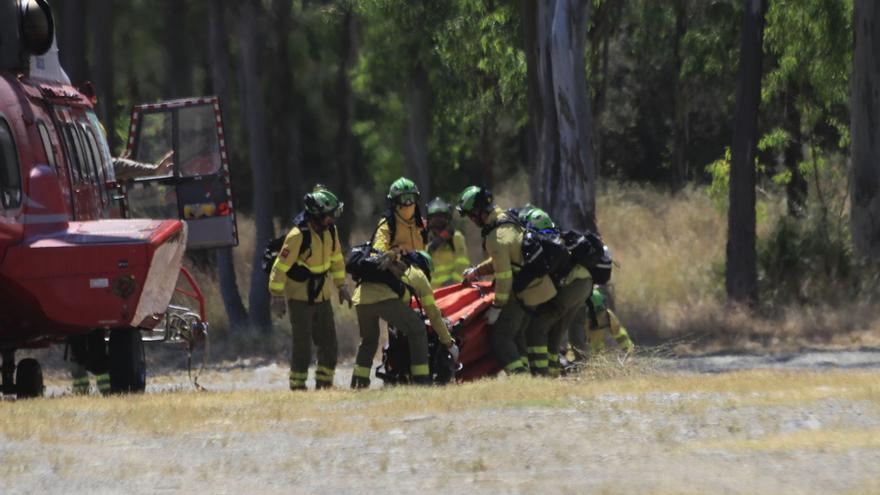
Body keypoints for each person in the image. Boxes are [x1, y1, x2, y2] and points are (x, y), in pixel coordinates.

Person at [457, 186, 557, 375]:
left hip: (523, 292)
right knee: (517, 334)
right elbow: (503, 258)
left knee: (501, 338)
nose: (471, 220)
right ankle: (530, 375)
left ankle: (520, 379)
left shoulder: (496, 237)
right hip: (539, 287)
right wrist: (477, 271)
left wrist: (497, 307)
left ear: (479, 211)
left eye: (471, 215)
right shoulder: (506, 219)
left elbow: (504, 278)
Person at [268, 187, 351, 391]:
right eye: (329, 216)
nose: (332, 220)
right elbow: (280, 267)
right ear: (318, 215)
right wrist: (277, 296)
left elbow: (337, 260)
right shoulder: (298, 236)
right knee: (303, 344)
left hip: (322, 295)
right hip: (300, 298)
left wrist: (342, 286)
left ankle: (325, 384)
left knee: (329, 343)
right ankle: (298, 385)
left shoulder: (330, 231)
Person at [350, 251, 457, 388]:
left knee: (369, 340)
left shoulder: (394, 267)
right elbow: (433, 314)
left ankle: (359, 383)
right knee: (417, 330)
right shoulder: (417, 274)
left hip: (361, 299)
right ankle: (421, 381)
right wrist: (448, 343)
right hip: (383, 299)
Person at [518, 207, 593, 377]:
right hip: (584, 285)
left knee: (536, 328)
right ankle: (552, 373)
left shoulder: (543, 240)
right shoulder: (558, 236)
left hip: (571, 287)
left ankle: (542, 374)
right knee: (555, 331)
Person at [372, 177, 427, 255]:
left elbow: (428, 250)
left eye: (411, 198)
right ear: (394, 202)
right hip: (399, 266)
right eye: (404, 198)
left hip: (421, 266)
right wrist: (387, 256)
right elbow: (379, 247)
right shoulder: (387, 224)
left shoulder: (420, 223)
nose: (408, 202)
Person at [425, 197, 470, 288]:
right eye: (435, 216)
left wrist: (452, 282)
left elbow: (463, 263)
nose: (438, 219)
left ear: (447, 218)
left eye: (441, 216)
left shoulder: (456, 237)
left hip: (451, 290)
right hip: (431, 294)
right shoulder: (423, 239)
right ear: (429, 218)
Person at [584, 287, 634, 356]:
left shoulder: (607, 315)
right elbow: (619, 333)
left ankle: (594, 358)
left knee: (594, 342)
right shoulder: (606, 314)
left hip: (591, 315)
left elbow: (620, 335)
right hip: (597, 314)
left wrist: (629, 352)